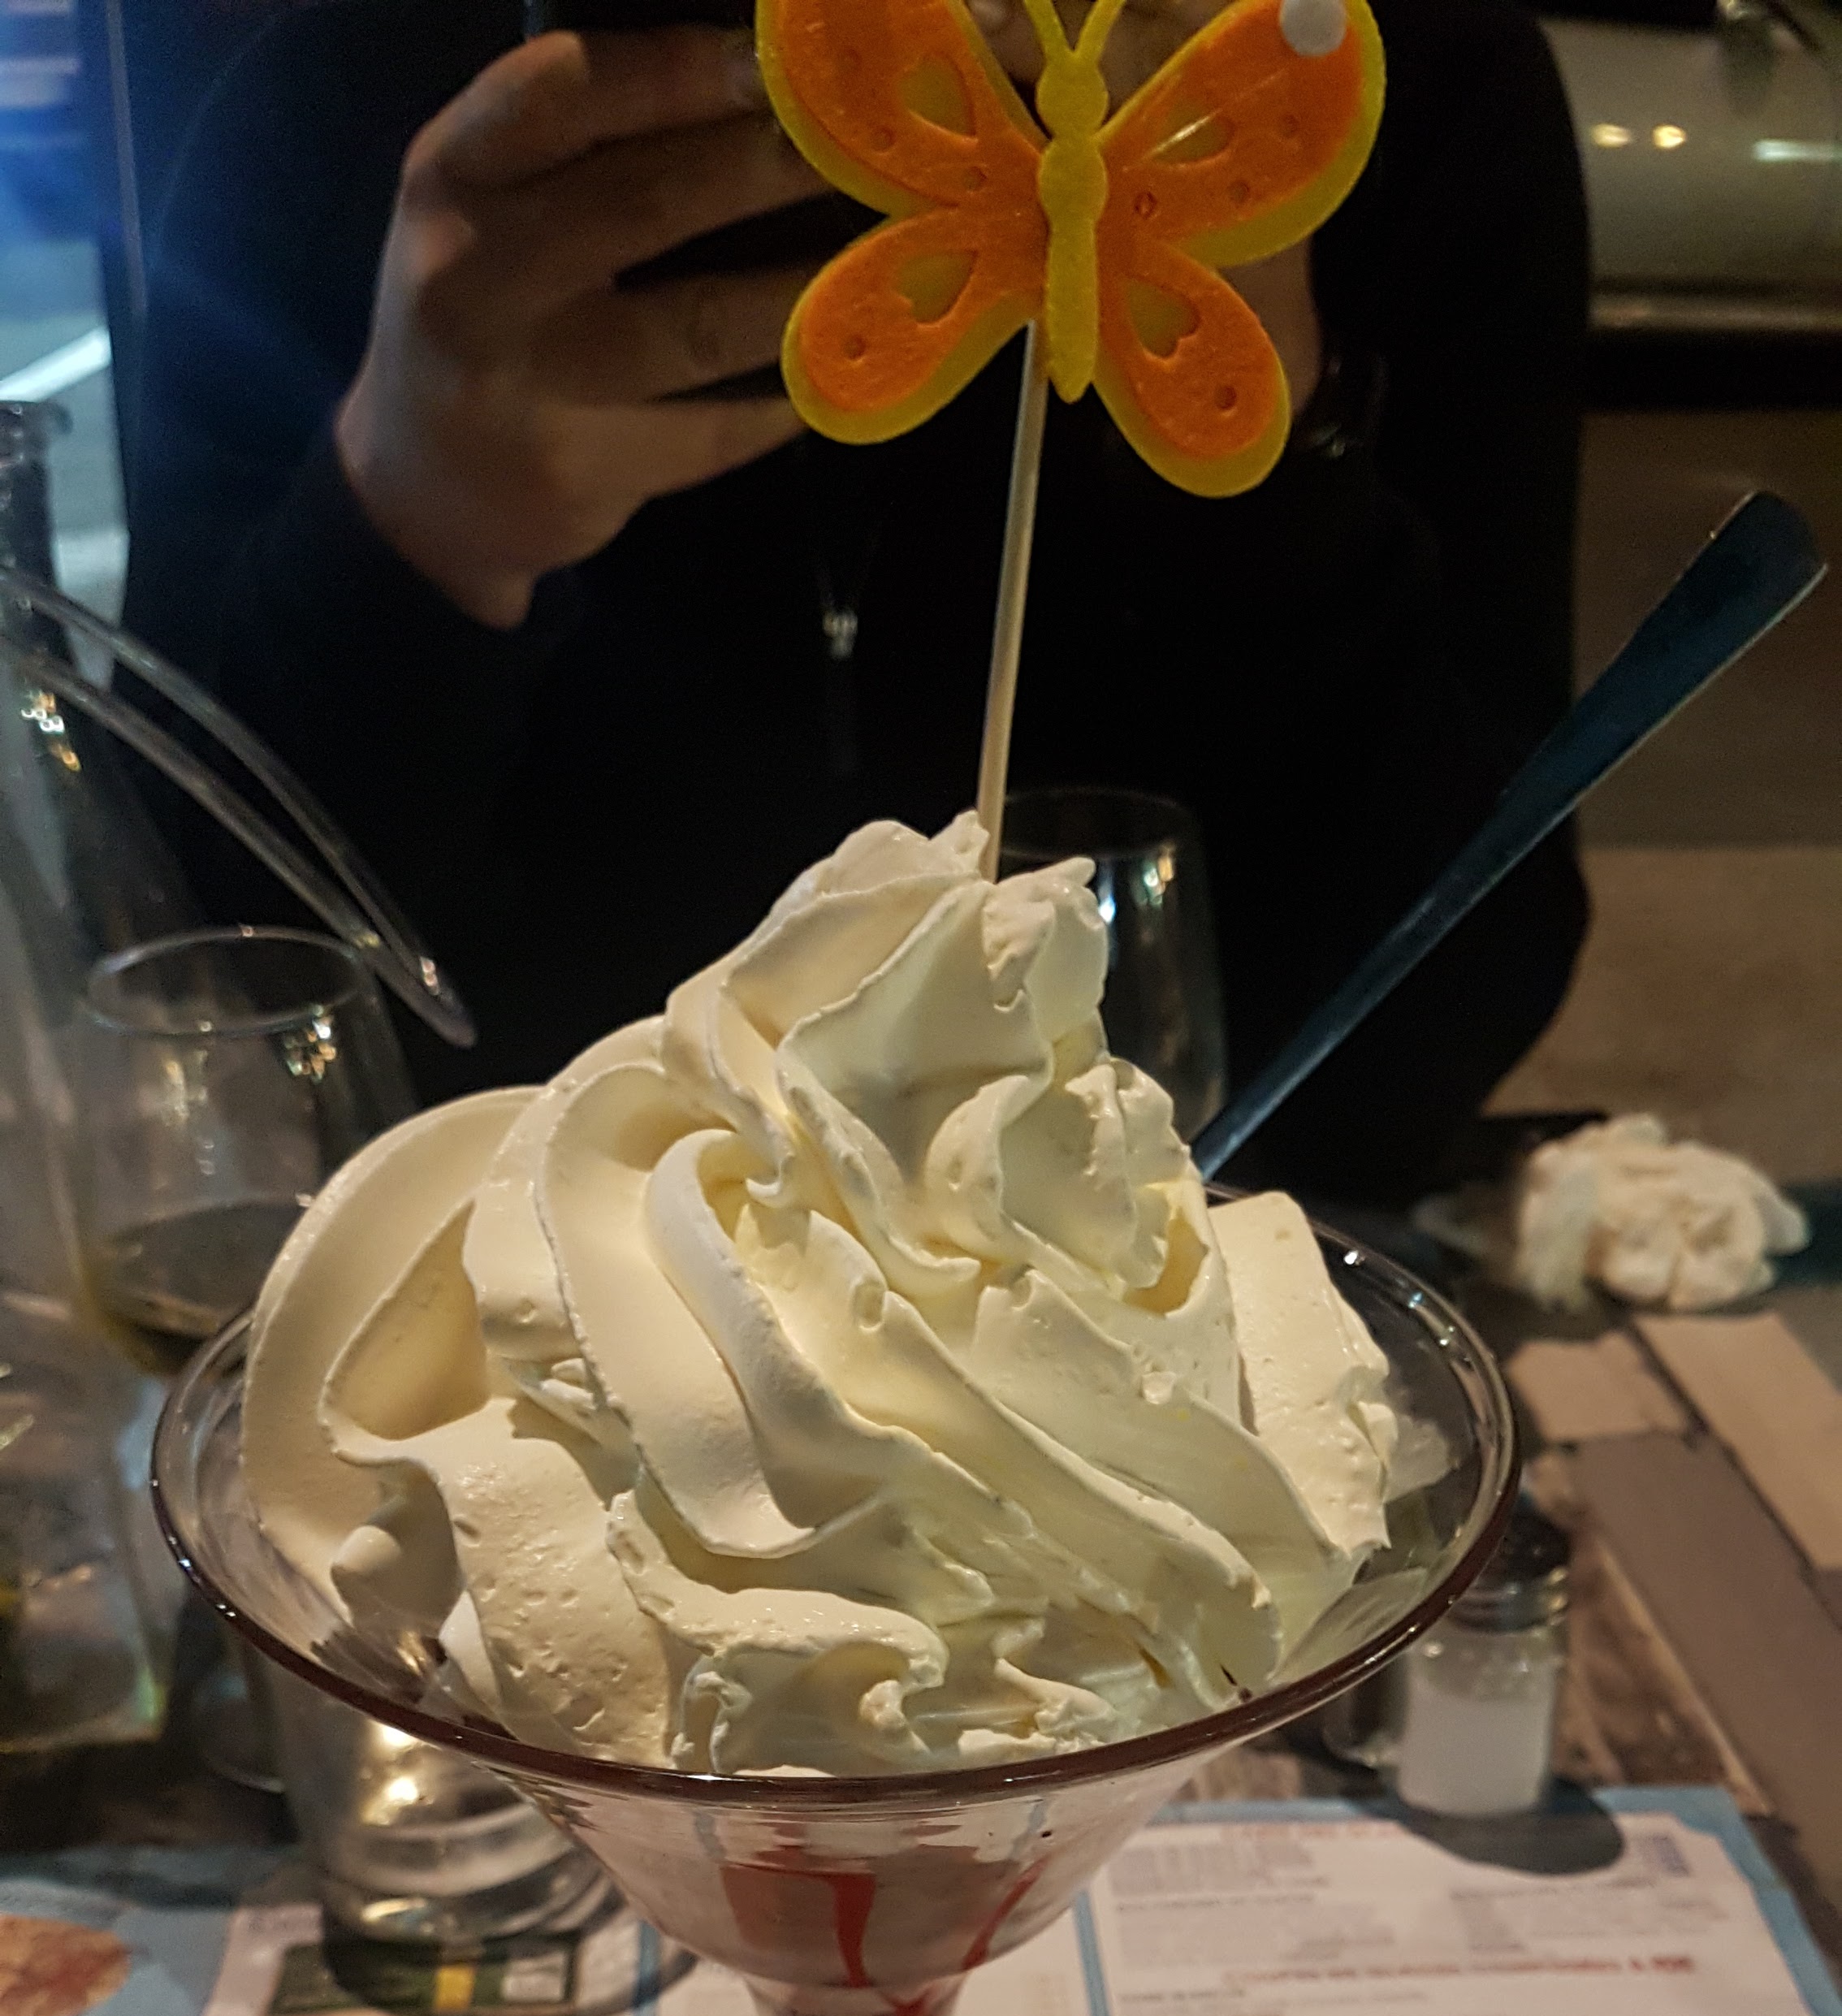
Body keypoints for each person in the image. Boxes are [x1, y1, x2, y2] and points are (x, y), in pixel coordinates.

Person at [124, 0, 1589, 1205]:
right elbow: (203, 1039)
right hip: (514, 1316)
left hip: (1157, 1291)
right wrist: (406, 532)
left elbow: (1423, 1054)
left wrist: (1266, 457)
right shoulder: (346, 106)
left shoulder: (1361, 83)